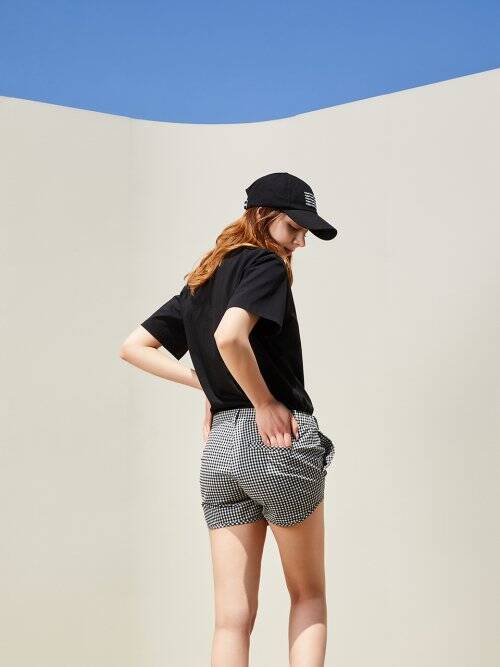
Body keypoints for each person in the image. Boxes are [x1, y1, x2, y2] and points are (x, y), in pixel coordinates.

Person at [120, 172, 337, 666]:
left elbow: (133, 347)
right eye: (294, 228)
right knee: (309, 596)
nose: (300, 242)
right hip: (276, 441)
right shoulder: (265, 263)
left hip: (220, 450)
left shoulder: (202, 280)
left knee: (230, 619)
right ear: (262, 217)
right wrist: (262, 402)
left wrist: (210, 385)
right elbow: (229, 337)